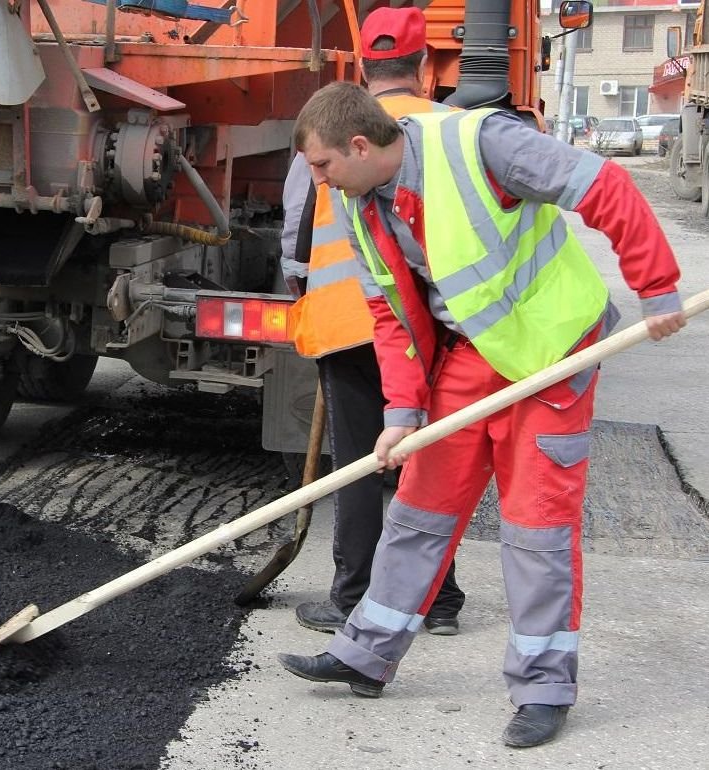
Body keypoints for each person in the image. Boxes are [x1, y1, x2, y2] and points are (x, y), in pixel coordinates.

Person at [276, 81, 686, 748]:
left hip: (550, 356)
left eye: (320, 166)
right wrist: (402, 409)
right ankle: (367, 653)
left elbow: (602, 186)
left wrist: (657, 287)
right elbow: (390, 313)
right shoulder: (358, 204)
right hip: (469, 360)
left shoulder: (478, 144)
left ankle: (543, 687)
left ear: (357, 145)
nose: (317, 181)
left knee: (535, 530)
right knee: (418, 509)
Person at [281, 6, 464, 637]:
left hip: (344, 319)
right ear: (424, 65)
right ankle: (437, 599)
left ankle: (352, 592)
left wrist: (298, 287)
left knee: (356, 461)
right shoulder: (447, 129)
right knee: (428, 460)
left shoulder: (327, 133)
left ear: (363, 67)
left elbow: (295, 234)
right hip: (428, 328)